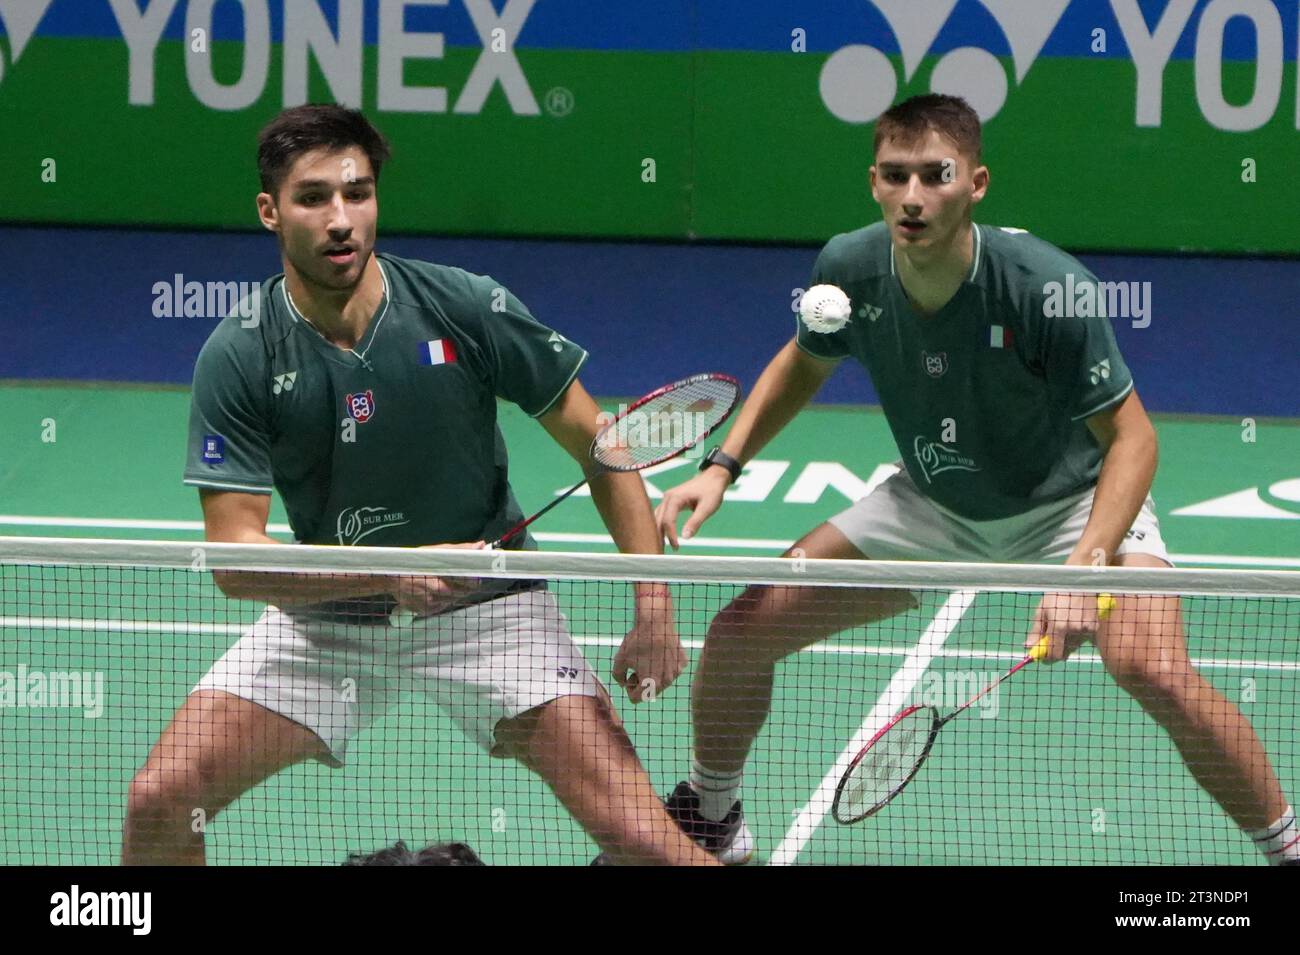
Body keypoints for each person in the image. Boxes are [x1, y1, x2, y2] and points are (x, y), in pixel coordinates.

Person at [654, 94, 1298, 866]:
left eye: (936, 175)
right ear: (873, 181)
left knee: (1153, 667)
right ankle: (712, 815)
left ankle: (1287, 846)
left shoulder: (1044, 287)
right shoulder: (849, 269)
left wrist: (1085, 563)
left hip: (1071, 506)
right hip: (934, 502)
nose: (914, 197)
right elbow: (806, 359)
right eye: (897, 176)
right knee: (739, 632)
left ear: (977, 183)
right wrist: (724, 465)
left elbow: (1133, 438)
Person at [122, 104, 716, 867]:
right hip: (329, 617)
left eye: (358, 192)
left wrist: (654, 604)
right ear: (270, 210)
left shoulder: (462, 305)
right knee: (160, 799)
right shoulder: (240, 354)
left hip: (490, 609)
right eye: (313, 198)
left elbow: (601, 445)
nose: (342, 219)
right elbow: (235, 559)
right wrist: (390, 572)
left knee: (643, 840)